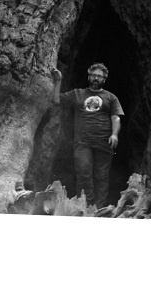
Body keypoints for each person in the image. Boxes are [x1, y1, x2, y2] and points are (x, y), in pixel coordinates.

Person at [51, 63, 123, 208]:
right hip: (82, 142)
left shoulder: (111, 97)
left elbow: (116, 118)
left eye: (99, 76)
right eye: (93, 75)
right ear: (89, 76)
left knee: (101, 175)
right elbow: (57, 100)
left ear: (104, 79)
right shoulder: (77, 94)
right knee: (83, 171)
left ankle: (99, 208)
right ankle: (85, 205)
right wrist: (58, 81)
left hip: (104, 142)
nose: (96, 78)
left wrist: (114, 135)